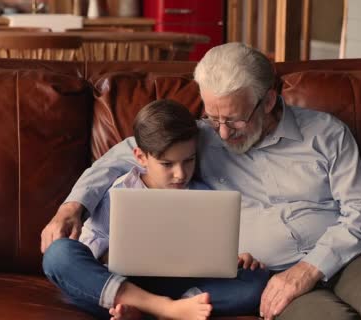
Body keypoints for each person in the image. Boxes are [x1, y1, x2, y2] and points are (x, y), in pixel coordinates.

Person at [41, 43, 361, 320]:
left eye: (235, 118)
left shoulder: (326, 134)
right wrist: (73, 205)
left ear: (267, 100)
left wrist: (309, 269)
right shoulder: (203, 138)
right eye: (214, 118)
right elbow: (129, 150)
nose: (224, 133)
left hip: (350, 259)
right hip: (268, 278)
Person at [42, 99, 270, 320]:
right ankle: (164, 310)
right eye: (167, 164)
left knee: (257, 279)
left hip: (179, 284)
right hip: (121, 284)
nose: (181, 174)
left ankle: (159, 309)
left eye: (189, 160)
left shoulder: (207, 196)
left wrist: (238, 258)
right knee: (58, 255)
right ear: (141, 157)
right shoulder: (118, 191)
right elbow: (91, 246)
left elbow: (218, 251)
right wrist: (110, 254)